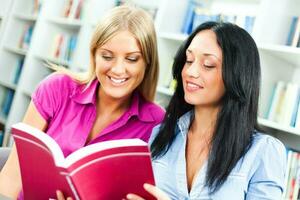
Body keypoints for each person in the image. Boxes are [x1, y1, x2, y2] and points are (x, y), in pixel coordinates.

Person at [0, 5, 165, 199]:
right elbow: (12, 176)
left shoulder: (156, 123)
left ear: (147, 62)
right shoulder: (57, 88)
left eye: (131, 59)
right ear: (94, 55)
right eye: (107, 56)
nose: (118, 70)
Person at [126, 21, 286, 200]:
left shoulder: (263, 151)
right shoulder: (161, 135)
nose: (190, 72)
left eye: (208, 64)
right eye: (189, 60)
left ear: (237, 75)